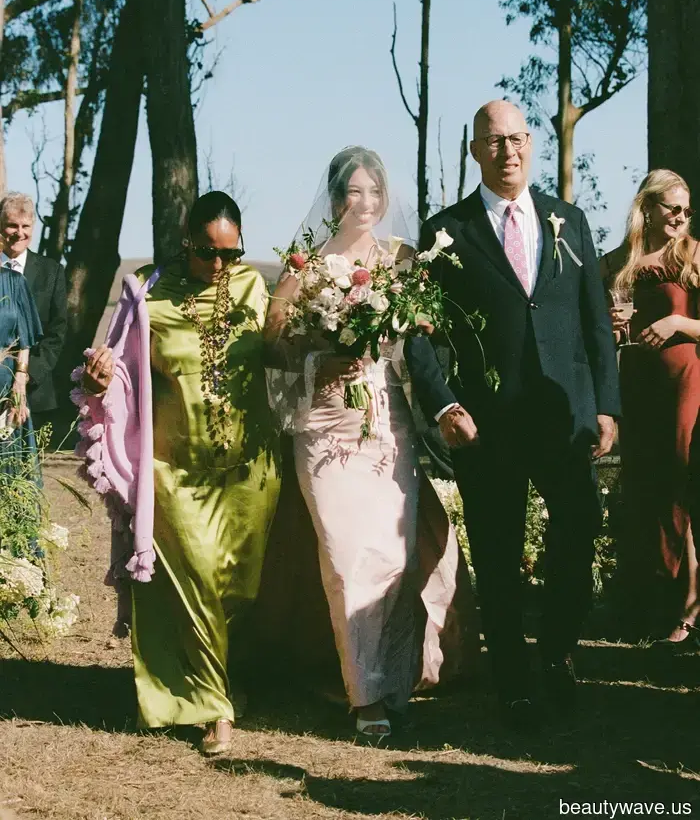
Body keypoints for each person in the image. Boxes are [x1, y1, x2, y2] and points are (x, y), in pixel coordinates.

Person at [404, 101, 620, 729]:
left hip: (563, 418)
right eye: (495, 141)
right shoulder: (449, 231)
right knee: (497, 557)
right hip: (487, 427)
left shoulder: (569, 223)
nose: (510, 152)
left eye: (519, 139)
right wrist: (444, 401)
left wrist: (607, 404)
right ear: (475, 150)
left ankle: (556, 654)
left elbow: (596, 323)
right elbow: (420, 332)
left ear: (533, 145)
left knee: (578, 532)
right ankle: (514, 684)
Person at [264, 146, 479, 739]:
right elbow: (274, 345)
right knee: (343, 557)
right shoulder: (306, 266)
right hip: (326, 427)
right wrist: (317, 351)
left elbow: (419, 342)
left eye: (374, 193)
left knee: (393, 557)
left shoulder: (401, 261)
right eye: (353, 193)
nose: (365, 203)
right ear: (335, 200)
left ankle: (393, 680)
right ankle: (365, 698)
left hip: (388, 426)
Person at [76, 192, 280, 755]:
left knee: (236, 588)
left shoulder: (252, 289)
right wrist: (99, 381)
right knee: (196, 581)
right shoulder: (145, 290)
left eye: (231, 254)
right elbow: (117, 368)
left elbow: (280, 354)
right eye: (207, 254)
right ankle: (216, 712)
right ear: (185, 241)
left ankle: (212, 679)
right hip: (175, 472)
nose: (219, 267)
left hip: (249, 471)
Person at [601, 169, 700, 644]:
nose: (681, 217)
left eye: (686, 210)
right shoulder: (624, 259)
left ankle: (684, 610)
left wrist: (678, 322)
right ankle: (641, 604)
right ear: (647, 207)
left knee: (676, 481)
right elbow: (598, 310)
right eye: (672, 208)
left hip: (684, 378)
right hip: (638, 380)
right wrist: (612, 323)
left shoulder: (693, 254)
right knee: (641, 482)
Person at [0, 193, 67, 432]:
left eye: (25, 226)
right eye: (11, 225)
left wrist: (25, 377)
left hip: (34, 396)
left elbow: (56, 335)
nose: (19, 232)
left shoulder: (52, 272)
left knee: (23, 468)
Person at [0, 260, 43, 475]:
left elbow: (24, 338)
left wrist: (20, 379)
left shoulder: (14, 281)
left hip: (6, 384)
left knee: (7, 457)